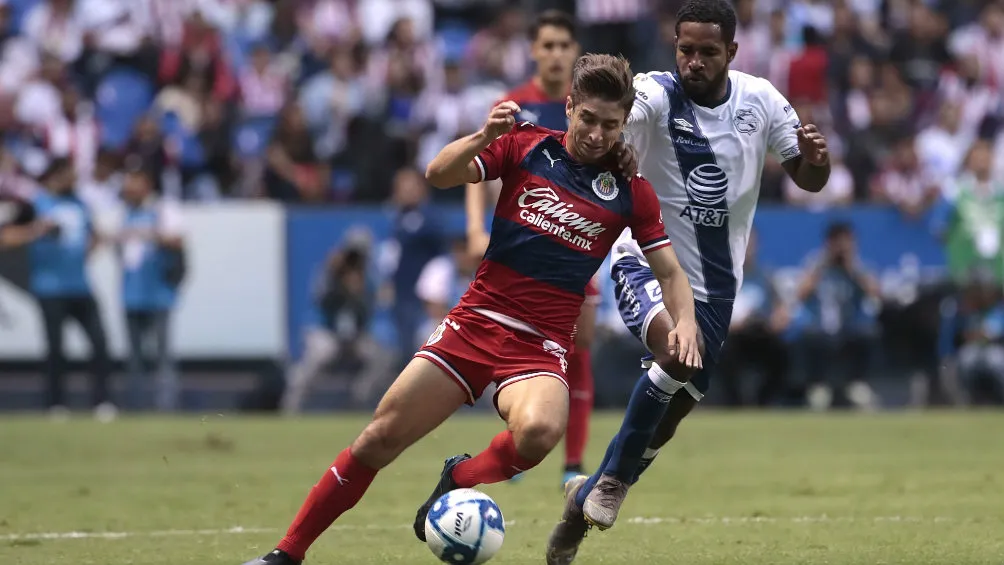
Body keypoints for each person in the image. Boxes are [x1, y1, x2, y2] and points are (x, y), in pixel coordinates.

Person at [239, 53, 701, 565]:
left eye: (610, 125)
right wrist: (483, 135)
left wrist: (684, 322)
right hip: (473, 323)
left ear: (622, 126)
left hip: (539, 344)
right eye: (587, 118)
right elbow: (438, 174)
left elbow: (670, 273)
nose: (596, 133)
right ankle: (286, 553)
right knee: (378, 439)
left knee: (540, 433)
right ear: (569, 107)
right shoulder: (525, 147)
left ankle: (460, 477)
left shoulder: (631, 193)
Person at [545, 1, 832, 563]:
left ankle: (582, 504)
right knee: (677, 351)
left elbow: (809, 178)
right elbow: (616, 127)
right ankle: (611, 486)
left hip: (717, 289)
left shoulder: (762, 101)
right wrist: (612, 144)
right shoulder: (654, 94)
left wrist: (818, 159)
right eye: (685, 49)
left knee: (668, 420)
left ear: (732, 52)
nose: (693, 61)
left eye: (706, 51)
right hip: (644, 263)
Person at [466, 9, 599, 487]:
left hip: (577, 244)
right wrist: (476, 229)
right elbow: (480, 168)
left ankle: (573, 461)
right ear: (534, 51)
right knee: (512, 340)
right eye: (548, 45)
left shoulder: (590, 110)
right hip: (522, 245)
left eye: (565, 45)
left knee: (580, 344)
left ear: (574, 51)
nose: (557, 54)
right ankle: (520, 439)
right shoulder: (514, 105)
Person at [0, 157, 114, 421]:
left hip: (80, 285)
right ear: (55, 175)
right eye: (69, 175)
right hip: (49, 288)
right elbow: (5, 236)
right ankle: (56, 404)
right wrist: (37, 231)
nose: (74, 181)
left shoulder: (80, 205)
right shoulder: (35, 205)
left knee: (99, 343)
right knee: (56, 349)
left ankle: (102, 401)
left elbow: (94, 235)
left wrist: (82, 254)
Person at [116, 166, 186, 412]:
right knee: (134, 358)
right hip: (131, 294)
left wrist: (150, 234)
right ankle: (136, 406)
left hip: (158, 294)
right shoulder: (126, 213)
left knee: (163, 356)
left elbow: (177, 240)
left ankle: (166, 406)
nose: (129, 189)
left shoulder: (162, 209)